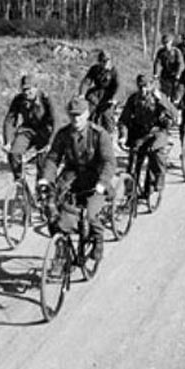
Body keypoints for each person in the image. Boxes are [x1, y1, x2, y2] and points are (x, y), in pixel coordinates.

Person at [39, 96, 116, 262]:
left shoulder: (99, 134)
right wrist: (46, 179)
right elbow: (53, 158)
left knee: (90, 214)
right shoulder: (63, 134)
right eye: (73, 115)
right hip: (71, 176)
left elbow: (109, 162)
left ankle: (98, 238)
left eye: (79, 115)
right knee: (52, 209)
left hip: (95, 178)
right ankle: (60, 250)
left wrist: (102, 183)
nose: (76, 119)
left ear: (87, 114)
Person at [118, 74, 175, 199]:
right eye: (140, 87)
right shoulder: (133, 99)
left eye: (145, 86)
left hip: (157, 132)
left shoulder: (158, 98)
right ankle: (129, 193)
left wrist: (161, 100)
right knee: (133, 161)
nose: (143, 90)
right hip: (139, 133)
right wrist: (123, 135)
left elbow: (173, 114)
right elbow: (123, 120)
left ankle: (158, 180)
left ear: (150, 86)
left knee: (155, 154)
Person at [3, 74, 56, 181]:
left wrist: (51, 143)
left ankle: (42, 188)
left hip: (44, 132)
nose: (27, 93)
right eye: (24, 90)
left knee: (43, 161)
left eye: (29, 89)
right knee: (14, 153)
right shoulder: (19, 99)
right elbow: (10, 120)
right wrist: (8, 141)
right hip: (28, 130)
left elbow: (57, 121)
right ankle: (19, 181)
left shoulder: (46, 99)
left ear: (36, 87)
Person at [79, 50, 120, 134]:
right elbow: (86, 81)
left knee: (106, 115)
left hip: (108, 95)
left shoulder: (114, 71)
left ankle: (110, 137)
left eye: (107, 60)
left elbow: (118, 86)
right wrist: (82, 94)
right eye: (102, 61)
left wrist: (114, 98)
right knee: (87, 112)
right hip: (95, 94)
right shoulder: (95, 69)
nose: (104, 63)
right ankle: (85, 132)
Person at [153, 33, 185, 101]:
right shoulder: (161, 52)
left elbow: (180, 64)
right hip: (165, 75)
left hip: (175, 75)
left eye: (167, 42)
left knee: (175, 94)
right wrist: (156, 73)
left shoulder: (176, 52)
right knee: (164, 93)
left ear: (171, 42)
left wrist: (178, 74)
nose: (166, 45)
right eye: (164, 43)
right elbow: (157, 63)